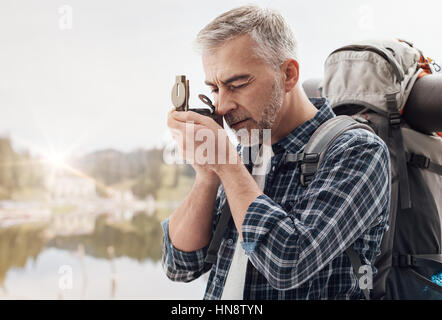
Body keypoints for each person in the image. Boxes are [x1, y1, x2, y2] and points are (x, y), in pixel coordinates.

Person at [162, 5, 391, 300]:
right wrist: (208, 174)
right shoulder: (246, 151)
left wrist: (228, 167)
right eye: (215, 89)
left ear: (288, 74)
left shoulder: (358, 151)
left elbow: (288, 263)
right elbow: (180, 265)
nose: (221, 106)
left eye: (238, 84)